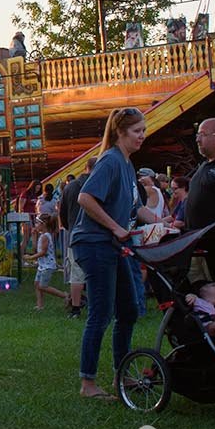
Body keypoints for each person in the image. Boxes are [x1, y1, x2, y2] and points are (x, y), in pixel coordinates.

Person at [70, 109, 157, 400]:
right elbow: (86, 198)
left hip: (112, 245)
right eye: (137, 131)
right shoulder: (109, 160)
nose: (142, 135)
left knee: (129, 309)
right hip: (94, 243)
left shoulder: (128, 164)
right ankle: (88, 383)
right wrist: (116, 228)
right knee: (101, 312)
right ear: (121, 132)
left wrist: (161, 222)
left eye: (144, 130)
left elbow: (136, 208)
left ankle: (122, 373)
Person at [56, 169, 89, 316]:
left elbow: (62, 212)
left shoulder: (70, 187)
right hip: (96, 235)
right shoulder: (98, 183)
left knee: (76, 273)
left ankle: (75, 308)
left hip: (75, 234)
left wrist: (69, 227)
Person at [32, 214, 67, 310]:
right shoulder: (41, 236)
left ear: (43, 224)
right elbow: (35, 249)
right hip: (42, 265)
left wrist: (31, 258)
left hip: (48, 266)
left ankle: (64, 295)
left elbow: (43, 252)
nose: (35, 225)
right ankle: (40, 305)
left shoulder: (45, 237)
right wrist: (34, 236)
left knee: (43, 286)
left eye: (37, 223)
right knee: (37, 284)